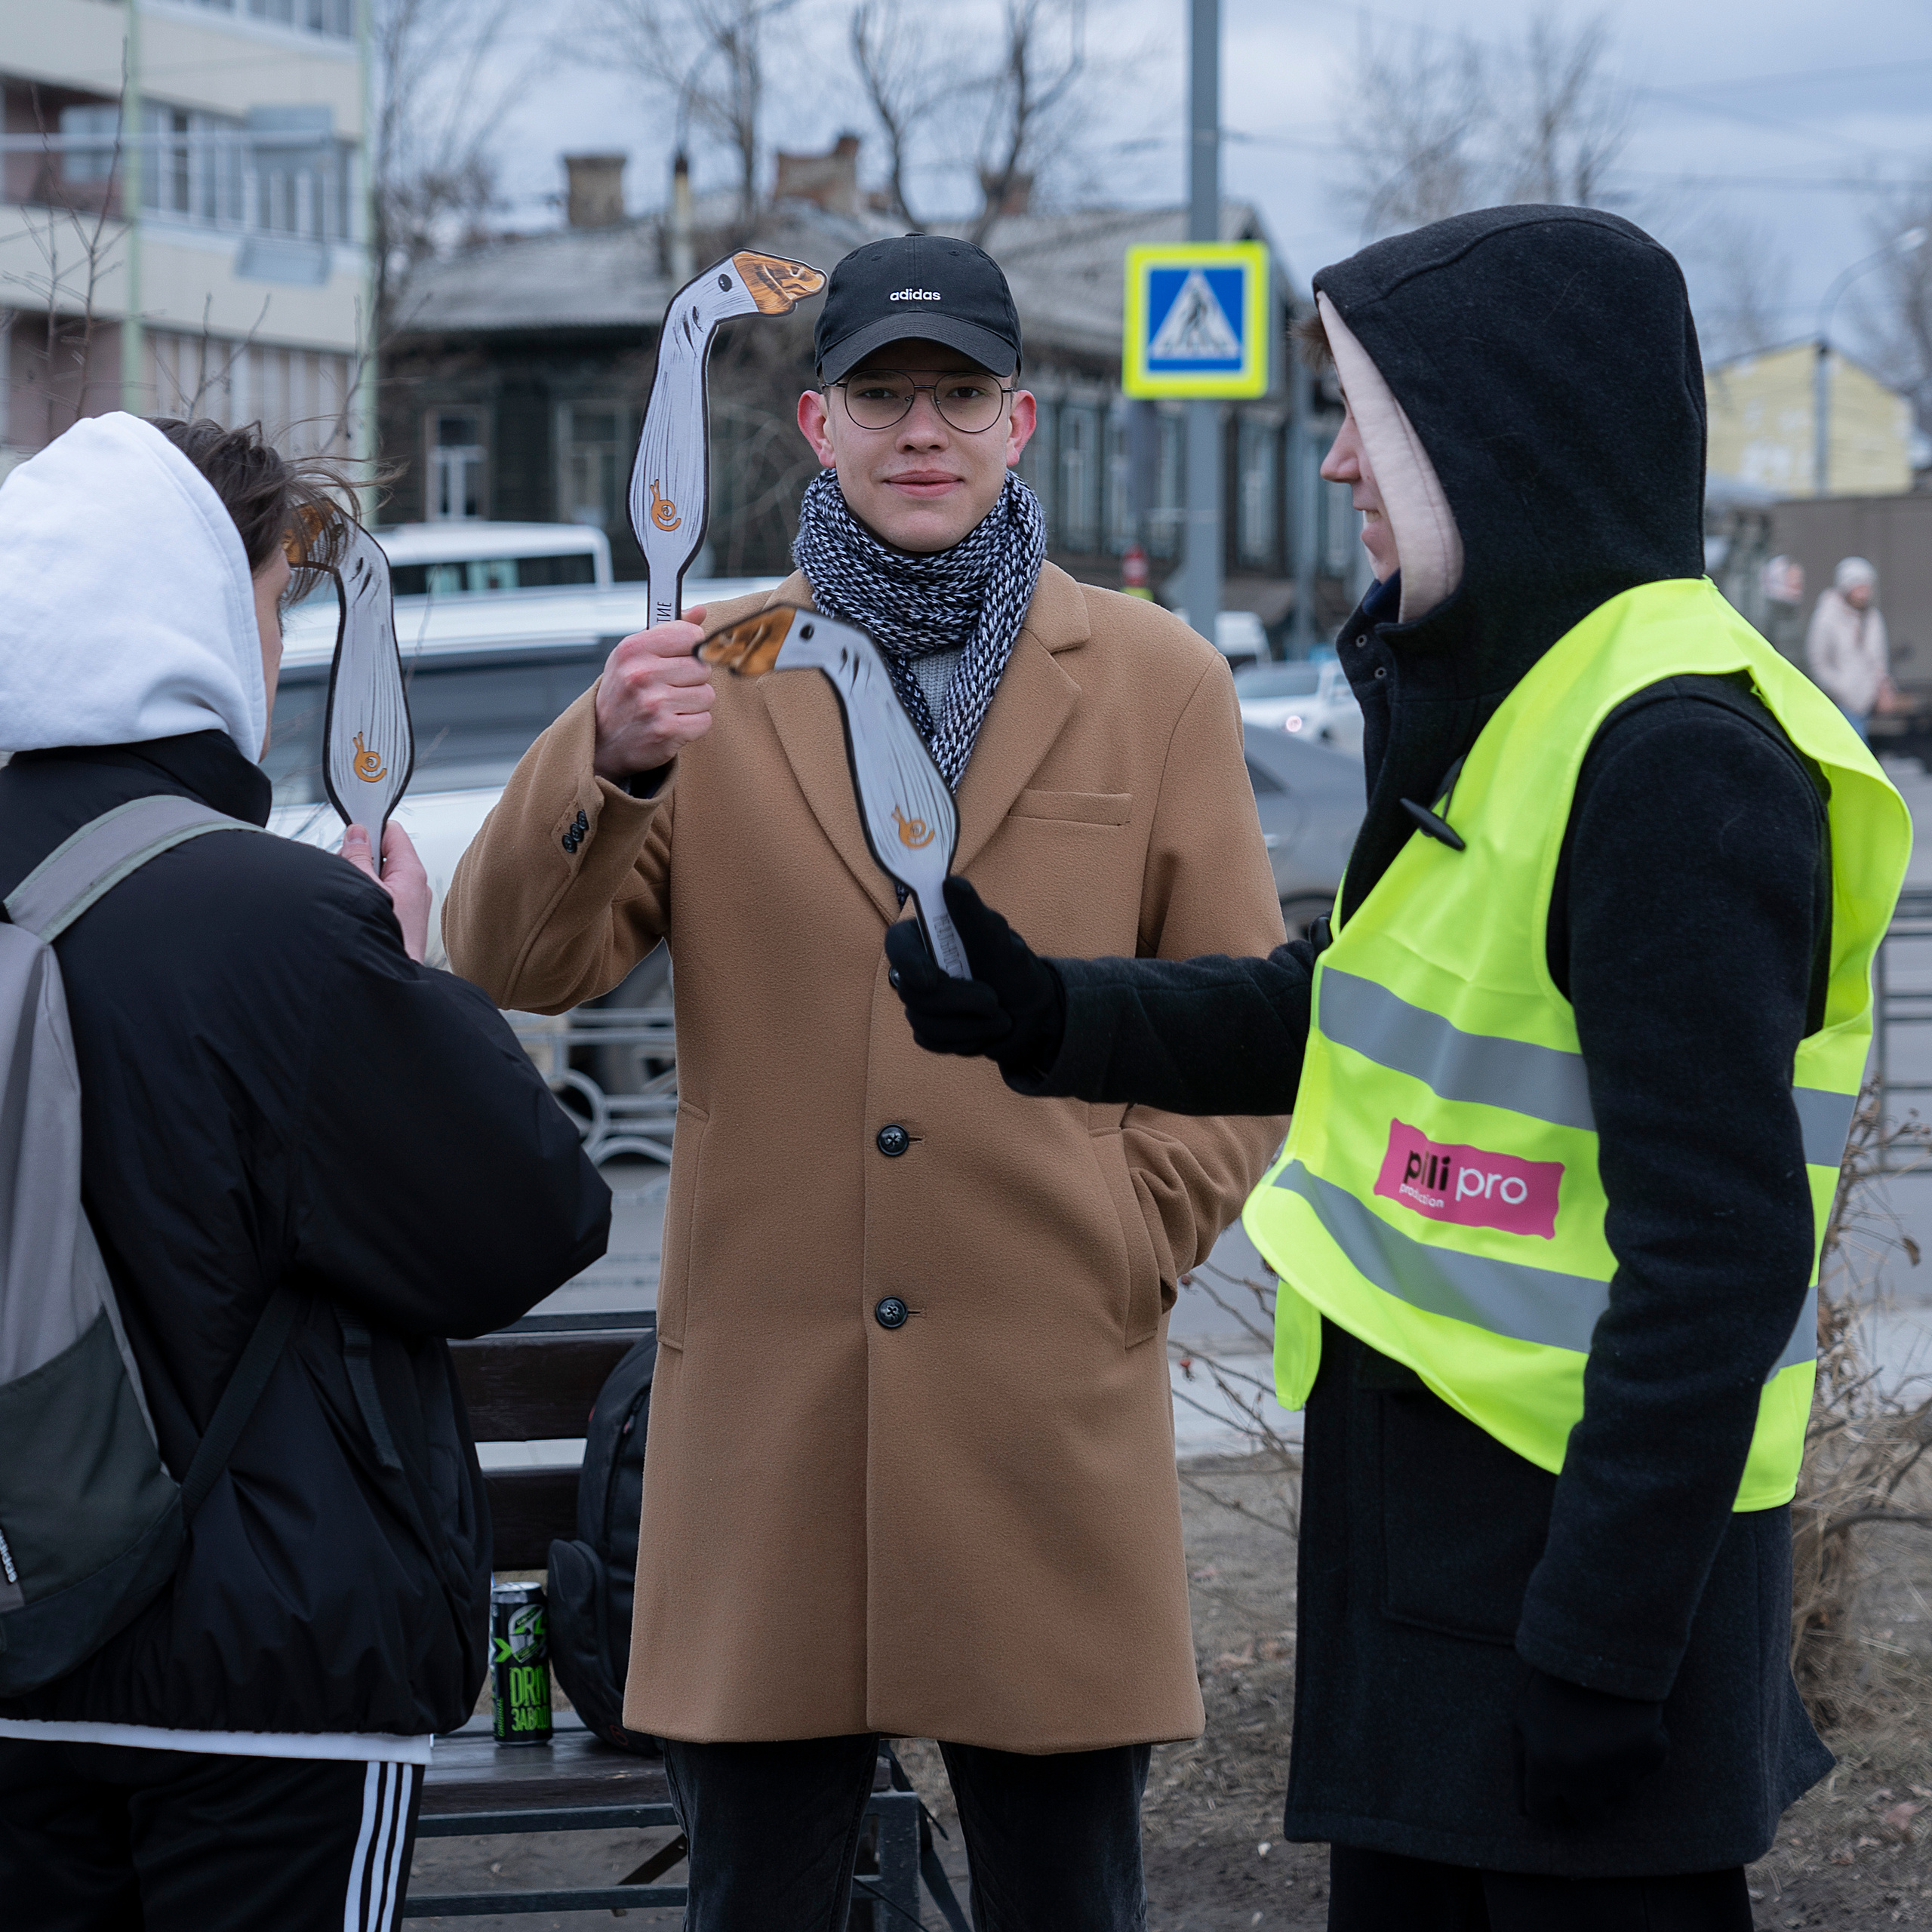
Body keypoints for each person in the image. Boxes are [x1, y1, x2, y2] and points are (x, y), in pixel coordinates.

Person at [887, 205, 1912, 1930]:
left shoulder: (1669, 753)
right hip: (1448, 1577)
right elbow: (1345, 1004)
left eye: (1374, 417)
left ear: (1501, 433)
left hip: (1568, 1593)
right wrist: (1048, 1012)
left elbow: (1716, 1255)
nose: (1339, 461)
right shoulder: (1521, 701)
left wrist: (1601, 1641)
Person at [441, 233, 1288, 1927]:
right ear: (815, 424)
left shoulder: (1157, 680)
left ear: (1019, 422)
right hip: (772, 1441)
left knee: (1067, 1901)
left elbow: (1246, 1036)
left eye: (958, 395)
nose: (922, 431)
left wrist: (1126, 1230)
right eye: (883, 395)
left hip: (1043, 1409)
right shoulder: (703, 673)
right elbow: (509, 962)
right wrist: (604, 756)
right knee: (757, 1900)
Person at [0, 414, 611, 1931]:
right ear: (196, 616)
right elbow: (522, 1220)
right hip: (268, 1671)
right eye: (270, 599)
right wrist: (409, 972)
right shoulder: (271, 920)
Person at [1806, 555, 1894, 740]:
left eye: (1867, 587)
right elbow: (1818, 662)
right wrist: (1842, 689)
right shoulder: (1827, 617)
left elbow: (1879, 658)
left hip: (1867, 701)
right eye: (1859, 587)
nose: (1864, 593)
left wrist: (1881, 687)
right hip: (1840, 702)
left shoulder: (1873, 618)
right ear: (1846, 587)